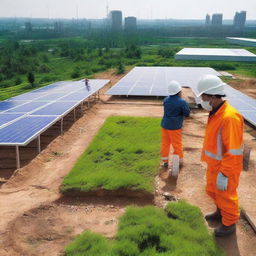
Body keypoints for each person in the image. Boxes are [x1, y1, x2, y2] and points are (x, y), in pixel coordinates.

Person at [197, 74, 244, 237]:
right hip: (215, 165)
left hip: (226, 168)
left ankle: (229, 223)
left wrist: (224, 173)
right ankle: (220, 212)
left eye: (203, 96)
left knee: (227, 196)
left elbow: (234, 150)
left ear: (213, 96)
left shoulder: (229, 118)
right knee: (212, 191)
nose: (201, 100)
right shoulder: (216, 113)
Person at [161, 80, 190, 171]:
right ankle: (179, 161)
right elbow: (187, 113)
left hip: (165, 125)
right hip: (175, 127)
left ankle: (165, 162)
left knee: (165, 144)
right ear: (179, 91)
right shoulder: (182, 102)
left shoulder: (165, 100)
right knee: (177, 144)